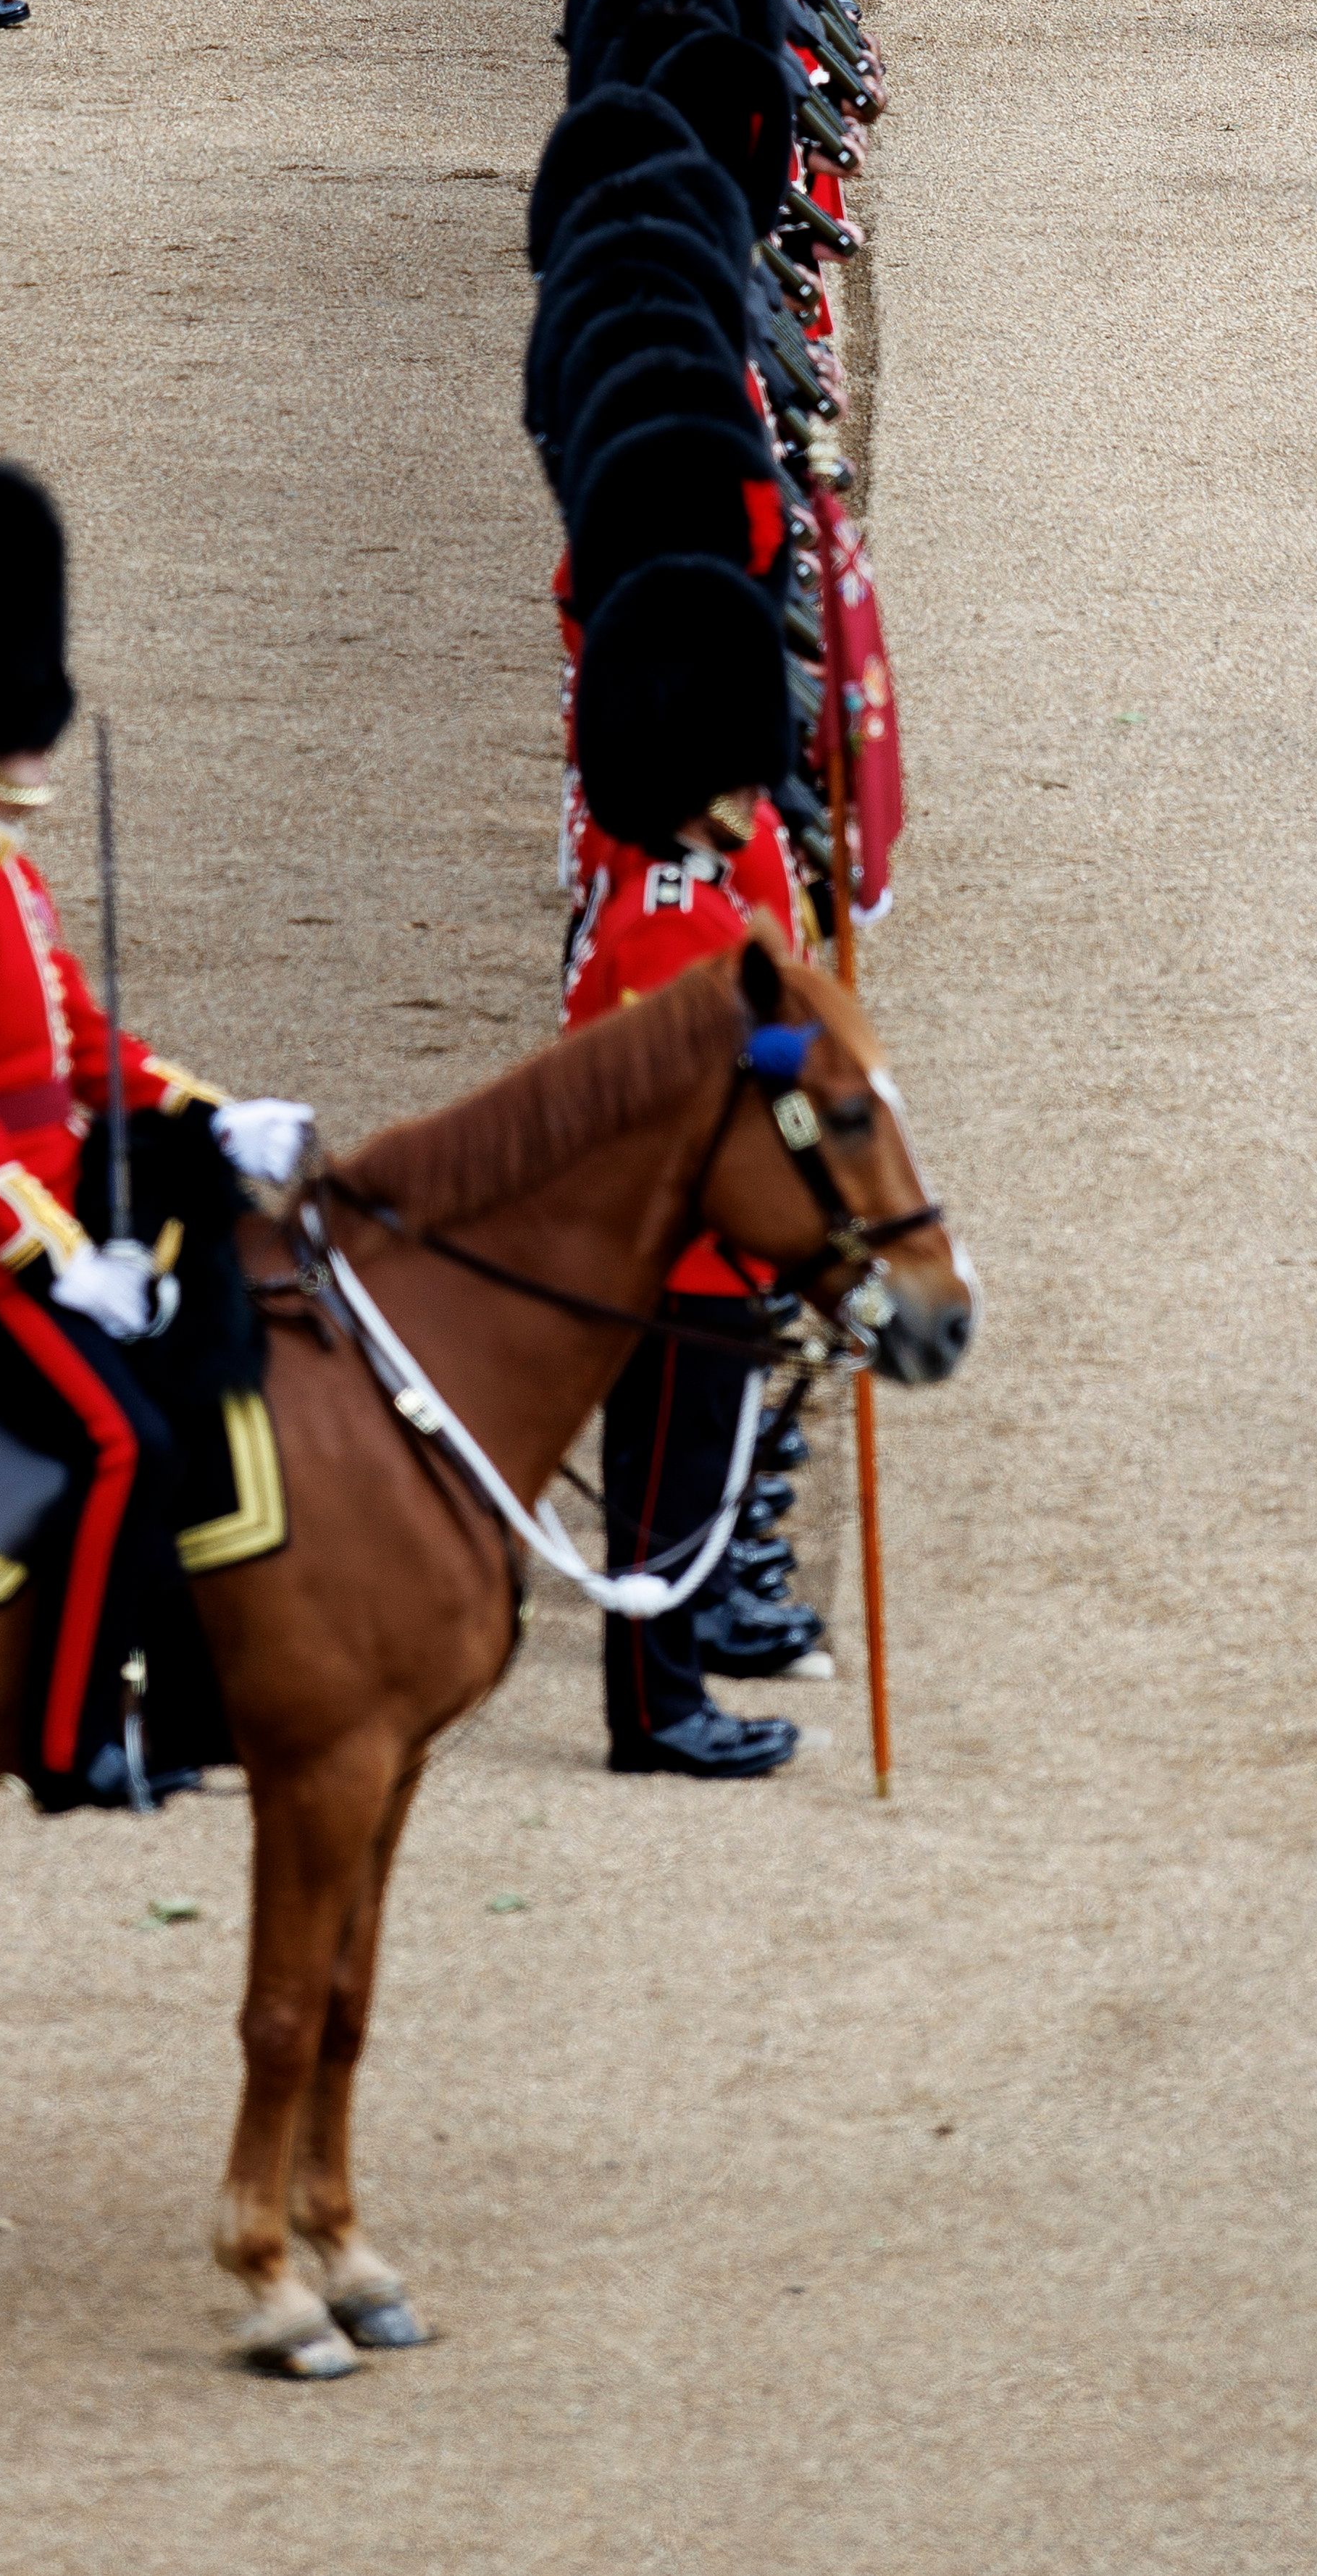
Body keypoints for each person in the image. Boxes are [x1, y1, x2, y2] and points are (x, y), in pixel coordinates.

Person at [0, 461, 312, 1799]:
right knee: (120, 1441)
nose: (42, 732)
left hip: (31, 1211)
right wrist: (63, 1258)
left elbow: (83, 1046)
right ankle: (71, 1735)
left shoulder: (1, 878)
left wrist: (217, 1116)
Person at [563, 552, 808, 1784]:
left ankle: (675, 1688)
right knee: (664, 1490)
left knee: (692, 1479)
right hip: (680, 1255)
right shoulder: (668, 911)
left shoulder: (688, 892)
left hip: (715, 1248)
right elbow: (681, 1099)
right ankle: (654, 1712)